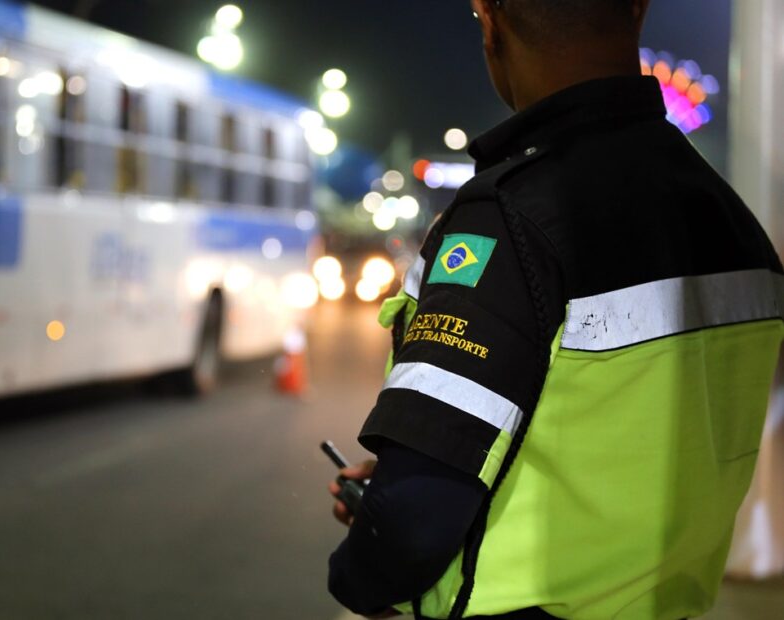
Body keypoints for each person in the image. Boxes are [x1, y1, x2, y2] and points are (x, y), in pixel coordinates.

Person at [327, 0, 784, 618]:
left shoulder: (507, 221)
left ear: (490, 23)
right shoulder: (733, 222)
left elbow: (412, 522)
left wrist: (362, 571)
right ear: (639, 11)